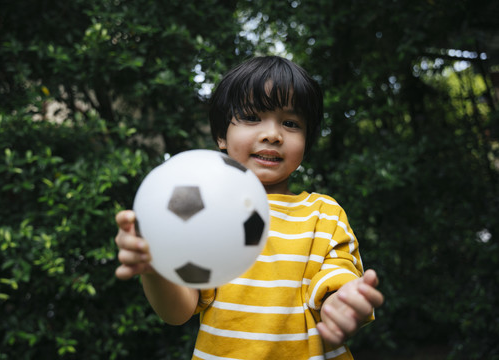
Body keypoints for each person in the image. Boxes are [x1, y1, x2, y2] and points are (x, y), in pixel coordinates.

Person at [114, 56, 384, 359]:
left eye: (291, 123)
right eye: (252, 117)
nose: (272, 134)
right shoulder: (205, 215)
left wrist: (345, 304)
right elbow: (178, 312)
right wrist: (154, 269)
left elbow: (336, 285)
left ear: (306, 144)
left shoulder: (323, 214)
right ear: (221, 137)